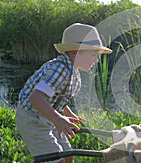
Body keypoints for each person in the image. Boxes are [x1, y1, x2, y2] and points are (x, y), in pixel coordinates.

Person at [15, 23, 112, 163]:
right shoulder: (59, 69)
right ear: (75, 52)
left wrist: (67, 113)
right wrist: (58, 120)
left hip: (49, 115)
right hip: (32, 119)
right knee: (56, 159)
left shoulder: (73, 71)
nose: (96, 60)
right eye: (93, 55)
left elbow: (58, 96)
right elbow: (36, 97)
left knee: (68, 155)